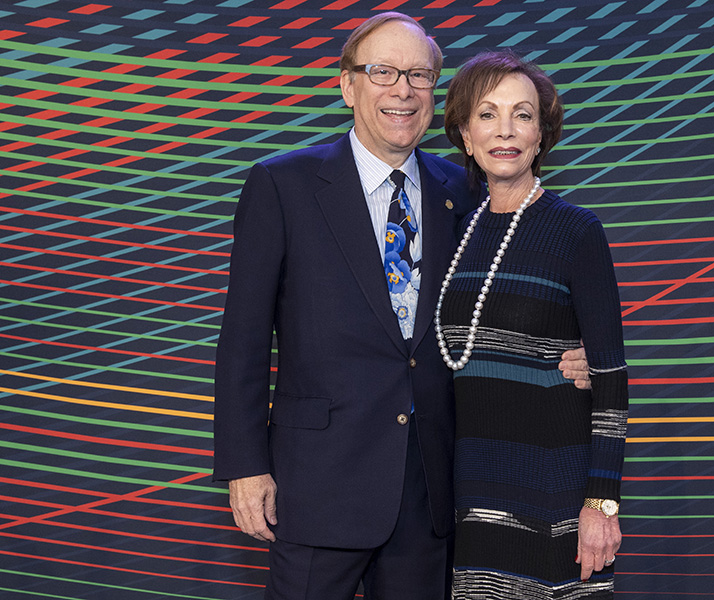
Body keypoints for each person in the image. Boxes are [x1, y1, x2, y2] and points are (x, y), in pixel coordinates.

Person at [213, 14, 591, 600]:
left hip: (430, 489)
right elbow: (242, 336)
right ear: (348, 85)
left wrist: (571, 347)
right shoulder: (281, 185)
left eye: (419, 75)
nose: (403, 89)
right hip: (316, 485)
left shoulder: (464, 191)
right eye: (382, 71)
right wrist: (245, 466)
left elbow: (508, 289)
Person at [438, 51, 629, 599]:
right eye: (487, 114)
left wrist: (601, 504)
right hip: (474, 494)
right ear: (465, 134)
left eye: (522, 115)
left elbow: (611, 380)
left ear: (542, 135)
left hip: (556, 496)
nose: (506, 131)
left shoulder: (577, 232)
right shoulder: (455, 230)